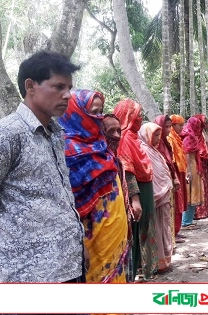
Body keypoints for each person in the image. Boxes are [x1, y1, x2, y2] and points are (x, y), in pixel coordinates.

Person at [0, 51, 84, 282]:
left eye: (69, 87)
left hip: (66, 266)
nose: (68, 95)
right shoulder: (6, 134)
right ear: (30, 86)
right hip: (24, 274)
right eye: (58, 87)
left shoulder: (55, 133)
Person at [58, 89, 128, 283]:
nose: (99, 118)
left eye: (100, 111)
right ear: (77, 113)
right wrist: (79, 242)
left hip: (113, 232)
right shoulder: (67, 150)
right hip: (91, 237)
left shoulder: (101, 145)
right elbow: (66, 204)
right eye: (94, 112)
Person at [113, 99, 156, 280]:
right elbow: (128, 171)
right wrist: (135, 198)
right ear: (129, 117)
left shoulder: (134, 137)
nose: (141, 119)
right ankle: (137, 268)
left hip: (145, 186)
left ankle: (145, 267)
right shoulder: (124, 139)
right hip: (136, 190)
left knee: (145, 227)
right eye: (138, 115)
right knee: (136, 230)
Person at [102, 113, 134, 282]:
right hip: (101, 233)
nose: (116, 136)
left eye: (118, 130)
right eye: (110, 131)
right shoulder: (93, 162)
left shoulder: (115, 160)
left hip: (120, 224)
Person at [139, 123, 173, 272]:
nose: (158, 138)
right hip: (155, 196)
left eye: (159, 135)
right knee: (157, 229)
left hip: (163, 195)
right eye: (155, 135)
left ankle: (165, 259)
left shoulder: (154, 150)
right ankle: (158, 263)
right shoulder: (144, 150)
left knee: (164, 227)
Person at [154, 115, 181, 246]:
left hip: (169, 181)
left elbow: (170, 162)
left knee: (169, 212)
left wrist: (174, 177)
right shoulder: (155, 145)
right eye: (166, 127)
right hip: (160, 185)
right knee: (163, 216)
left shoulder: (165, 143)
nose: (169, 130)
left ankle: (170, 243)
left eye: (170, 126)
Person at [182, 115, 208, 226]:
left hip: (195, 166)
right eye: (198, 126)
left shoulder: (193, 136)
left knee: (195, 191)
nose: (200, 128)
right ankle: (186, 221)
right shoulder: (188, 137)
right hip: (191, 166)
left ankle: (188, 220)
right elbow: (187, 154)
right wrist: (189, 170)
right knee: (191, 192)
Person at [168, 115, 188, 241]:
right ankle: (174, 231)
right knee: (176, 201)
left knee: (180, 201)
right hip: (174, 173)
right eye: (180, 125)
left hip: (180, 172)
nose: (182, 128)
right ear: (173, 125)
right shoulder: (170, 139)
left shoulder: (177, 138)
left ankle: (177, 229)